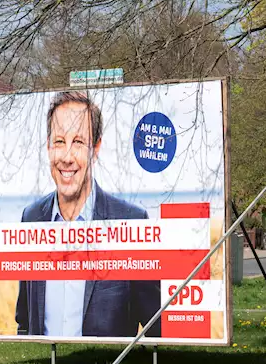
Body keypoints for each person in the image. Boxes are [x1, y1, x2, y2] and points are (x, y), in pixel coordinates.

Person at [14, 91, 161, 338]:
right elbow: (25, 320)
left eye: (79, 142)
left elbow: (154, 325)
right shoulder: (32, 218)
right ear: (48, 147)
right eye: (59, 141)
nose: (67, 157)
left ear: (96, 148)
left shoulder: (130, 221)